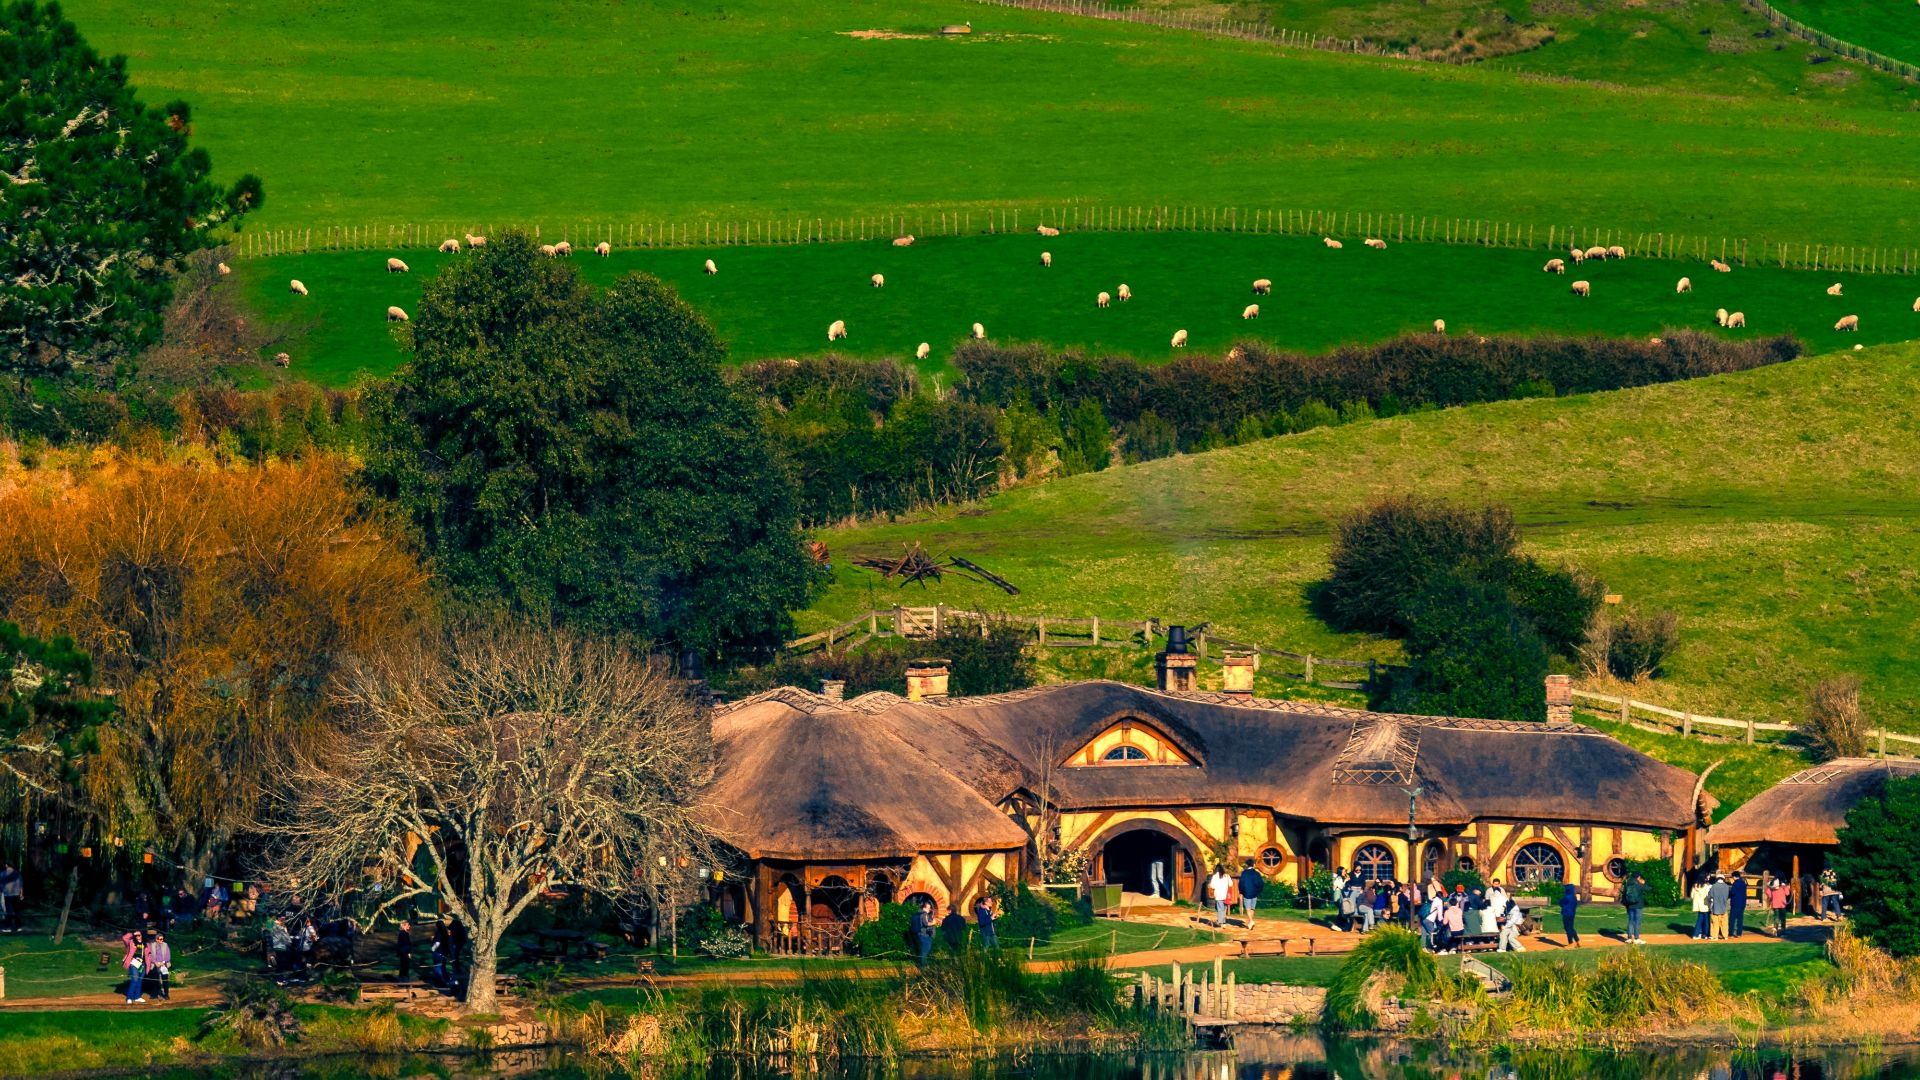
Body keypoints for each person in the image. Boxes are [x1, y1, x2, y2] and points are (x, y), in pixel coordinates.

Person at [1621, 872, 1649, 944]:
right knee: (1637, 922)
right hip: (1638, 906)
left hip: (1630, 905)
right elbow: (1648, 889)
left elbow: (1624, 894)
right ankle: (1636, 939)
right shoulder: (1639, 884)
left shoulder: (1628, 884)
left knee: (1630, 921)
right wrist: (1643, 883)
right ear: (1638, 877)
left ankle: (1629, 938)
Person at [122, 928, 147, 1003]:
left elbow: (148, 955)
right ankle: (129, 997)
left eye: (139, 935)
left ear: (142, 935)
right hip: (133, 963)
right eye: (136, 935)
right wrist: (133, 934)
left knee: (140, 980)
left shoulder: (145, 944)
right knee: (135, 980)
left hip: (142, 964)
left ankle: (137, 996)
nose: (137, 936)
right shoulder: (131, 942)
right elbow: (124, 938)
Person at [145, 930, 172, 1001]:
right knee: (155, 980)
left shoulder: (165, 945)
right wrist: (155, 962)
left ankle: (166, 994)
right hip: (155, 964)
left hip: (163, 964)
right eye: (160, 939)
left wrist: (163, 962)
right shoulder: (152, 945)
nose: (161, 940)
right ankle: (155, 994)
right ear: (156, 939)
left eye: (162, 939)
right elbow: (150, 955)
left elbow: (168, 955)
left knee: (165, 980)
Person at [1238, 861, 1264, 929]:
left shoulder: (1244, 873)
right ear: (1253, 865)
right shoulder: (1257, 873)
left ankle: (1251, 921)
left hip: (1246, 892)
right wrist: (1258, 891)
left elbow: (1241, 883)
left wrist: (1241, 892)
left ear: (1246, 865)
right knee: (1252, 908)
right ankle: (1250, 922)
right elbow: (1261, 883)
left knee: (1248, 908)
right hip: (1254, 893)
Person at [910, 901, 935, 965]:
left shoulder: (917, 913)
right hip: (924, 935)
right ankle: (923, 966)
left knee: (921, 951)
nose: (929, 910)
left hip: (918, 934)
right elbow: (925, 924)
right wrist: (933, 923)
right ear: (924, 908)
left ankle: (920, 964)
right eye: (928, 908)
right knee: (925, 951)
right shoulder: (924, 914)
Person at [0, 863, 22, 933]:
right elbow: (21, 884)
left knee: (9, 911)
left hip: (7, 895)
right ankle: (18, 927)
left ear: (6, 865)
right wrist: (21, 894)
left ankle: (8, 927)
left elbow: (1, 886)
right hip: (16, 894)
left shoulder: (3, 874)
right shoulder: (17, 874)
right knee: (17, 911)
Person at [1709, 874, 1731, 941]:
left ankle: (1715, 936)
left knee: (1715, 923)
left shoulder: (1714, 886)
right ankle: (1725, 936)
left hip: (1715, 907)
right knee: (1724, 923)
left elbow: (1710, 896)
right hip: (1724, 907)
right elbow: (1728, 896)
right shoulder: (1727, 886)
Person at [1560, 882, 1581, 947]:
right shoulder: (1574, 897)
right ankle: (1577, 941)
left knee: (1567, 928)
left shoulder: (1566, 897)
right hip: (1572, 914)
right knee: (1571, 928)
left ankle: (1570, 943)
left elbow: (1560, 902)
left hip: (1566, 914)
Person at [1729, 872, 1749, 937]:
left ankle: (1731, 933)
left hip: (1735, 903)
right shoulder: (1743, 883)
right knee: (1740, 919)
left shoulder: (1735, 883)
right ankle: (1739, 933)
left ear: (1734, 876)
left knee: (1732, 919)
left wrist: (1729, 893)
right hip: (1742, 903)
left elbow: (1733, 892)